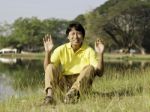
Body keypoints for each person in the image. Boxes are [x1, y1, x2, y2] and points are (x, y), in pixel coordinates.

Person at [42, 21, 104, 105]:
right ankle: (49, 97)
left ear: (83, 36)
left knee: (90, 68)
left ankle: (73, 94)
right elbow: (47, 69)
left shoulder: (89, 50)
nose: (76, 37)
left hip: (81, 83)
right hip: (64, 83)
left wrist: (100, 54)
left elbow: (99, 73)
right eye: (73, 34)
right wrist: (48, 52)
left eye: (79, 33)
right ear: (68, 36)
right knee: (50, 66)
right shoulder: (61, 49)